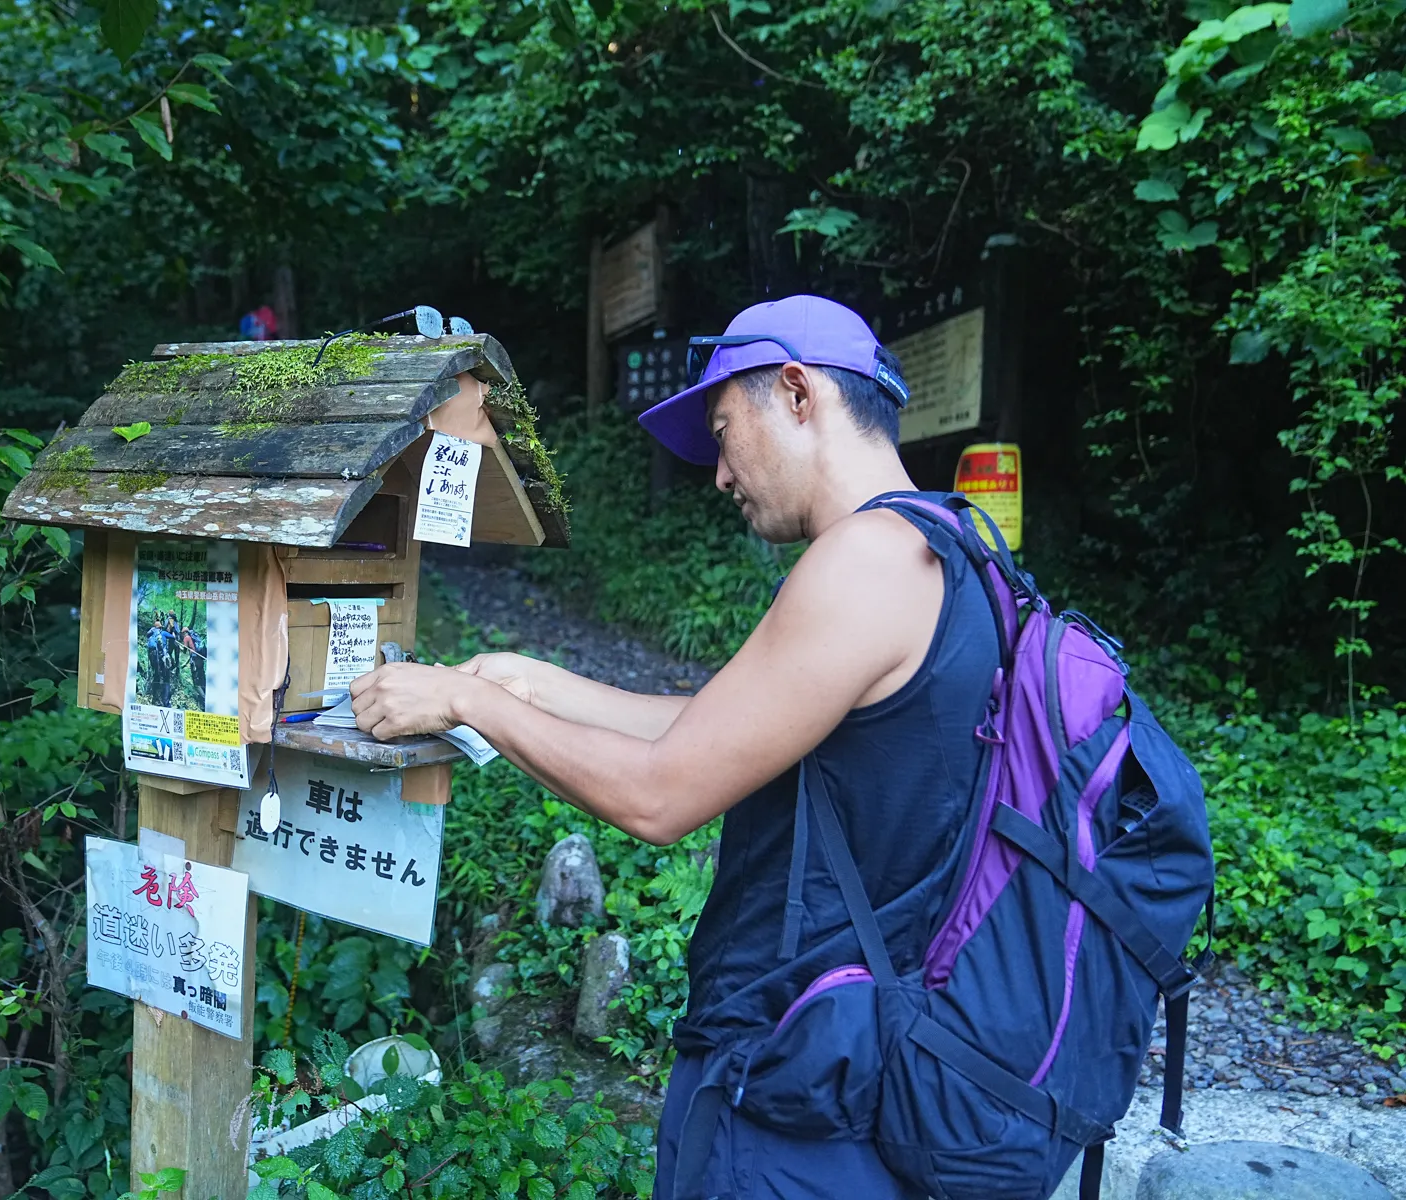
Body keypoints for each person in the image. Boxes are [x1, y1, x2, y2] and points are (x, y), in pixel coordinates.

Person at [350, 295, 1000, 1199]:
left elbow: (662, 796)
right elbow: (717, 728)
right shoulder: (956, 542)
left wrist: (465, 700)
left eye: (726, 432)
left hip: (800, 1089)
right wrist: (528, 682)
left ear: (800, 394)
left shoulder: (866, 562)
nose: (722, 476)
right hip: (861, 1058)